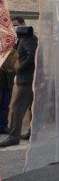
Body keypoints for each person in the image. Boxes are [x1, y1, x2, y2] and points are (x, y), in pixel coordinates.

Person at [0, 17, 38, 148]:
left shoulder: (28, 38)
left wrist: (18, 67)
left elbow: (32, 56)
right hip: (28, 79)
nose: (14, 28)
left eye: (16, 25)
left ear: (23, 24)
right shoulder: (24, 38)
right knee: (32, 107)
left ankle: (13, 137)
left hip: (27, 80)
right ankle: (32, 133)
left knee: (17, 108)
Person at [0, 47, 17, 134]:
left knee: (5, 105)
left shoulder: (13, 52)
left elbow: (13, 66)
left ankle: (2, 126)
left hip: (7, 82)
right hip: (3, 81)